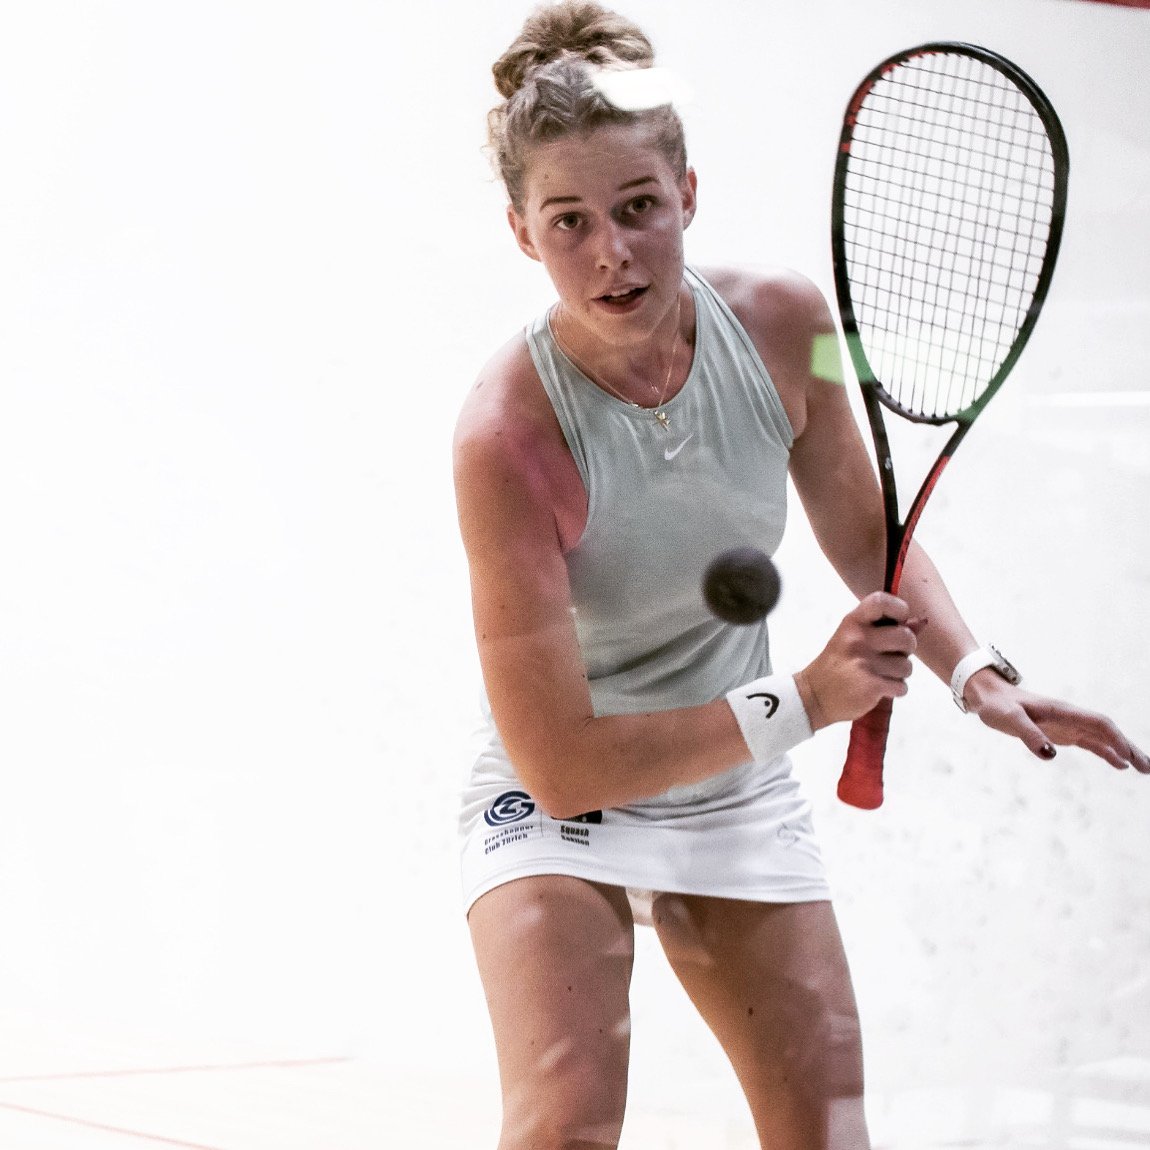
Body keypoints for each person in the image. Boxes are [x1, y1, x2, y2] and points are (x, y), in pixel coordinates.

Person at [451, 3, 1150, 1147]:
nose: (612, 251)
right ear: (524, 234)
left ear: (688, 191)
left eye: (637, 208)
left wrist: (973, 670)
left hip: (732, 786)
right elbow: (560, 760)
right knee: (563, 1125)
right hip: (561, 799)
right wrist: (809, 701)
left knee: (825, 1129)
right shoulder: (501, 439)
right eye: (569, 221)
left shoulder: (795, 327)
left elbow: (866, 518)